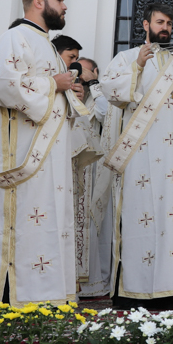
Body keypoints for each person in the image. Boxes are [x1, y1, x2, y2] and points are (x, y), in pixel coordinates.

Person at [0, 0, 85, 306]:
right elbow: (3, 88)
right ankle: (20, 300)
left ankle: (50, 300)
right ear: (39, 3)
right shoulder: (16, 37)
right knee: (26, 231)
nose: (65, 6)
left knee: (52, 229)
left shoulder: (47, 45)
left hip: (51, 165)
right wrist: (52, 83)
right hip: (25, 158)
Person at [102, 3, 173, 309]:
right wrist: (136, 66)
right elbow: (110, 92)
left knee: (169, 221)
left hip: (171, 158)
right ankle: (128, 291)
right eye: (160, 22)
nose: (166, 28)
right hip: (137, 156)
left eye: (169, 24)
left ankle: (167, 290)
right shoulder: (125, 58)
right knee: (136, 219)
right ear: (145, 25)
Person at [73, 57, 115, 297]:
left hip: (97, 172)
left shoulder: (103, 94)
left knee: (96, 225)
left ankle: (96, 283)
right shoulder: (72, 90)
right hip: (76, 168)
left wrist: (95, 84)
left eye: (84, 69)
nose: (80, 74)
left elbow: (106, 114)